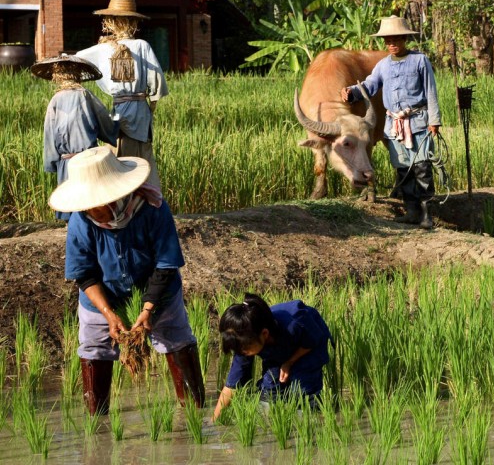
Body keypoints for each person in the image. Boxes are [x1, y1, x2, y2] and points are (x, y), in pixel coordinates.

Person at [52, 147, 204, 415]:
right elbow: (83, 273)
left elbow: (166, 263)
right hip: (102, 295)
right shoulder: (81, 221)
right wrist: (109, 314)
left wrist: (147, 309)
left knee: (176, 336)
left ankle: (194, 412)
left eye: (94, 204)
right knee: (94, 345)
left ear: (114, 197)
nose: (89, 210)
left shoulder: (152, 209)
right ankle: (96, 420)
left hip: (158, 290)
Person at [340, 15, 441, 229]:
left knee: (422, 168)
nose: (392, 44)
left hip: (418, 122)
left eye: (396, 39)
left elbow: (431, 91)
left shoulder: (420, 61)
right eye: (388, 40)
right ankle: (411, 211)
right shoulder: (383, 66)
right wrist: (352, 93)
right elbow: (370, 85)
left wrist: (435, 120)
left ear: (405, 39)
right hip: (394, 125)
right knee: (403, 169)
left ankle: (425, 215)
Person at [77, 0, 168, 190]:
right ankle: (146, 202)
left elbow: (76, 60)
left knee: (118, 160)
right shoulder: (142, 46)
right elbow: (156, 82)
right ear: (134, 23)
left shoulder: (103, 49)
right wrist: (151, 106)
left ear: (109, 22)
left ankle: (119, 203)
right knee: (143, 161)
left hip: (118, 110)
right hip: (140, 113)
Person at [213, 293, 332, 420]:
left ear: (264, 334)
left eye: (245, 348)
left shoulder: (294, 323)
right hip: (276, 348)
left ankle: (311, 417)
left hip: (308, 346)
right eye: (238, 350)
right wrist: (214, 421)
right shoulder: (243, 343)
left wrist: (289, 362)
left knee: (301, 389)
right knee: (270, 389)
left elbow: (312, 342)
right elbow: (233, 383)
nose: (242, 352)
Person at [32, 54, 119, 221]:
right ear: (78, 74)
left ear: (57, 76)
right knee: (90, 204)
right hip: (87, 159)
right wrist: (115, 125)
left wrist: (51, 162)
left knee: (72, 202)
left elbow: (49, 133)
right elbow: (103, 120)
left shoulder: (55, 100)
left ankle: (73, 230)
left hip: (67, 162)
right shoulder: (85, 95)